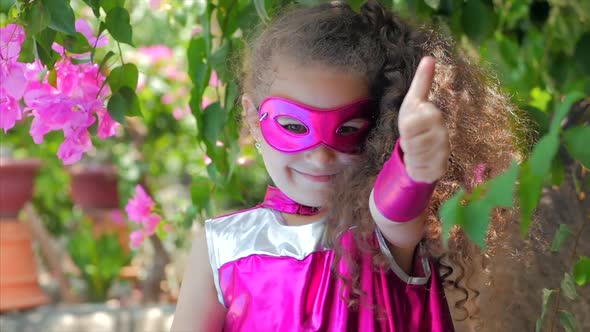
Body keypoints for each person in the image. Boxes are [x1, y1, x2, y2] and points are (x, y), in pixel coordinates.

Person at [172, 1, 528, 331]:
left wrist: (414, 164)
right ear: (253, 119)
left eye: (348, 129)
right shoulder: (224, 244)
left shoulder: (378, 233)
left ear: (380, 129)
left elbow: (397, 208)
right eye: (294, 127)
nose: (321, 156)